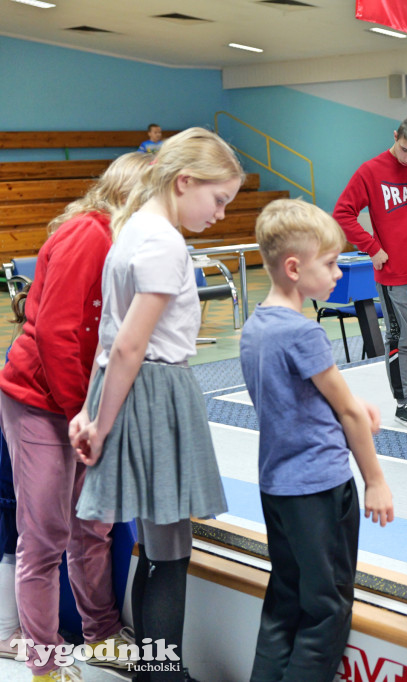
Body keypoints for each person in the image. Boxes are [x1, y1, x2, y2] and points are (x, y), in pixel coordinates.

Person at [70, 128, 243, 680]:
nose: (220, 214)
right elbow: (130, 342)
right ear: (184, 180)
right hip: (154, 392)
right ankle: (164, 674)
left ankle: (154, 670)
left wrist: (90, 405)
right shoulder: (164, 242)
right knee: (170, 553)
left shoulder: (131, 229)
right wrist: (98, 421)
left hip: (125, 386)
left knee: (154, 546)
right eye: (218, 199)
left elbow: (110, 334)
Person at [0, 152, 150, 680]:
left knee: (94, 528)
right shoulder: (89, 235)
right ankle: (43, 658)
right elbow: (58, 336)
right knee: (45, 535)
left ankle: (102, 634)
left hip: (86, 407)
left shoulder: (128, 245)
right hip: (42, 403)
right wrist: (81, 418)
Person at [241, 199, 394, 682]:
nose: (337, 273)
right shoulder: (303, 333)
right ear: (293, 268)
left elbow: (298, 399)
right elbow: (347, 410)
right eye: (329, 264)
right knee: (327, 609)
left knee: (285, 600)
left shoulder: (256, 326)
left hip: (277, 485)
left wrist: (349, 407)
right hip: (319, 487)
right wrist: (375, 481)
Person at [333, 116, 407, 429]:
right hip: (394, 273)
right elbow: (343, 212)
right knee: (401, 340)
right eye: (403, 149)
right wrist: (372, 248)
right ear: (395, 136)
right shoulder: (370, 171)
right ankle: (404, 404)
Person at [0, 288, 29, 661]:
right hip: (10, 470)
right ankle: (7, 630)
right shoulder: (23, 351)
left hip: (14, 465)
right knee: (11, 545)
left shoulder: (21, 342)